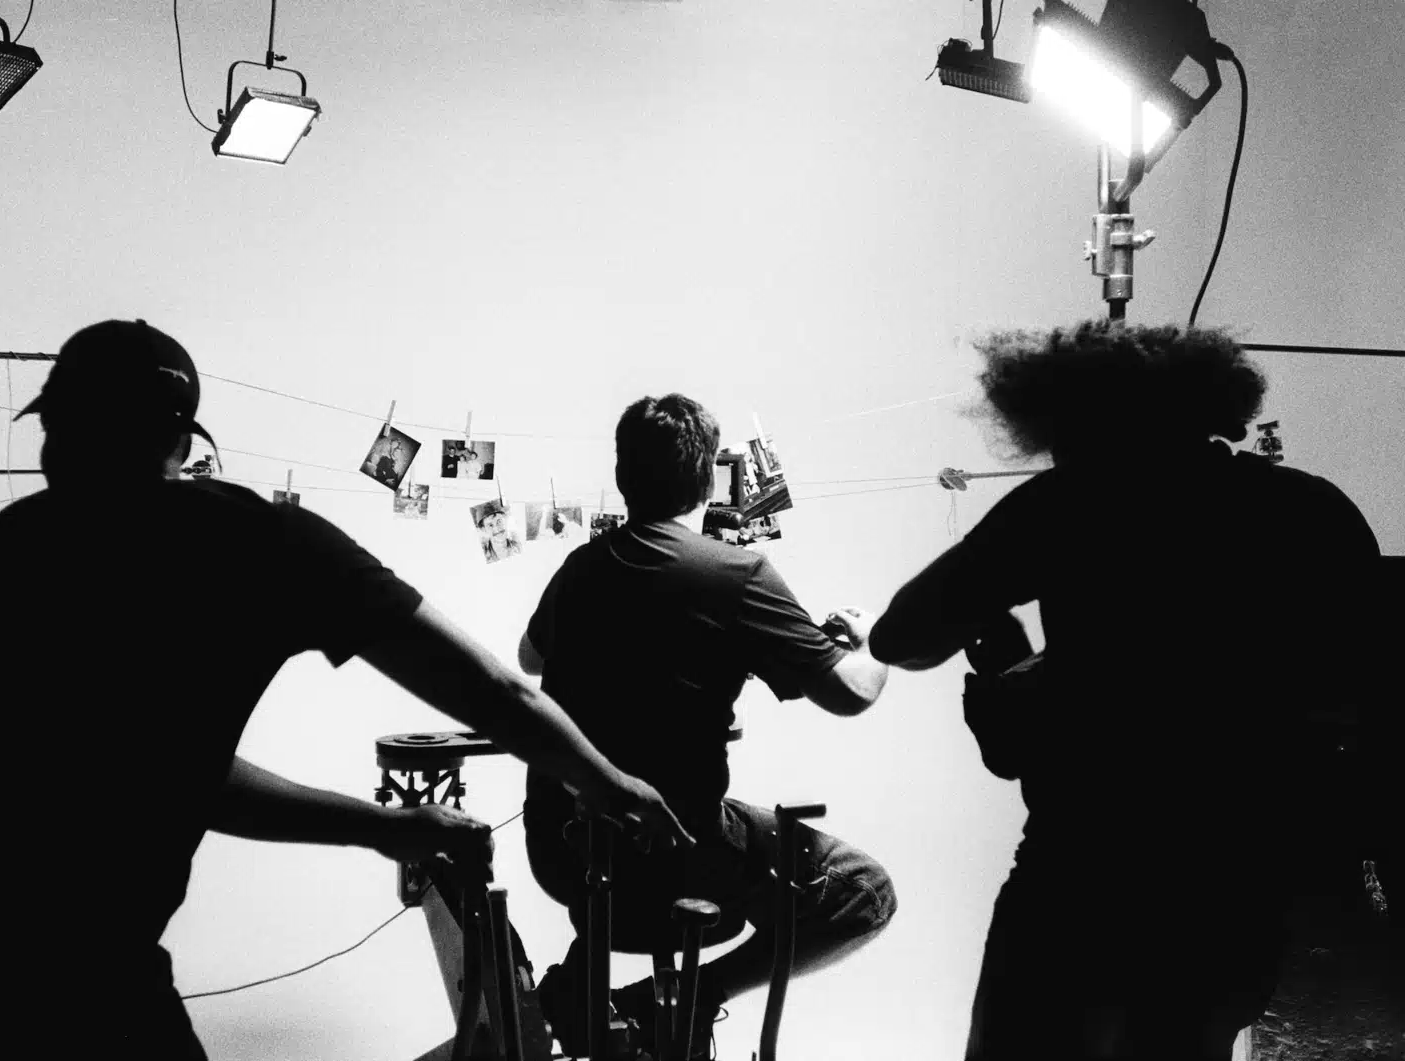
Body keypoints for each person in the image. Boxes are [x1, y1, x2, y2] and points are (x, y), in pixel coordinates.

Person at [0, 320, 691, 1061]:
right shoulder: (260, 543)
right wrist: (602, 780)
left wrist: (384, 827)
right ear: (181, 439)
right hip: (45, 972)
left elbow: (161, 768)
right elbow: (490, 686)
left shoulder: (4, 546)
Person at [863, 320, 1383, 1060]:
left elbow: (899, 636)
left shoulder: (1071, 502)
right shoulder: (1312, 509)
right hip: (1238, 890)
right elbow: (1352, 685)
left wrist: (1010, 652)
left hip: (1080, 880)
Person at [518, 393, 898, 1059]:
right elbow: (849, 694)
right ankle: (693, 995)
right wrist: (873, 644)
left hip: (559, 850)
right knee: (864, 890)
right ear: (709, 478)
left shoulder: (580, 567)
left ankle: (596, 986)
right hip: (676, 857)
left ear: (623, 474)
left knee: (656, 837)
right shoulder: (736, 572)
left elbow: (530, 657)